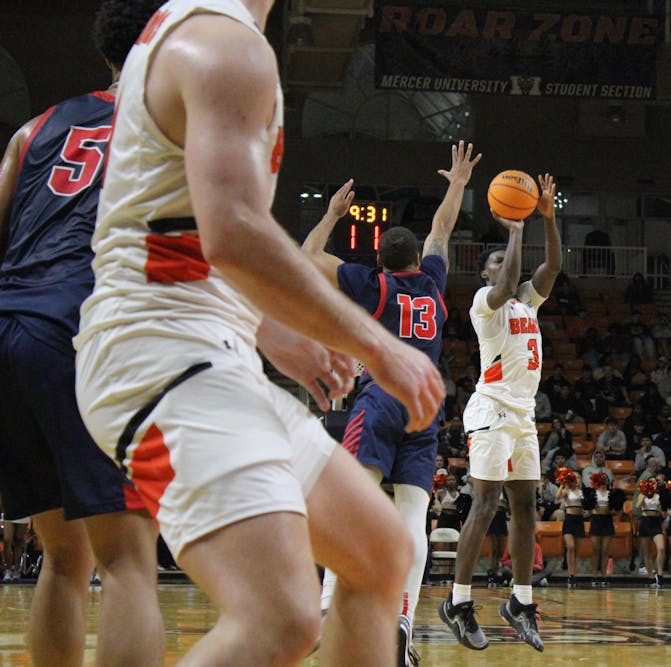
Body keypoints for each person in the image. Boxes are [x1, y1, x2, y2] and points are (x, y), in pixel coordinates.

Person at [72, 1, 446, 665]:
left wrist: (275, 334)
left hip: (203, 347)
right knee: (280, 614)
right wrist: (379, 345)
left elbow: (185, 235)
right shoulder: (221, 44)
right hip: (159, 358)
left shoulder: (199, 32)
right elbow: (235, 231)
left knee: (380, 553)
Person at [0, 2, 163, 664]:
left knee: (64, 556)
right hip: (87, 330)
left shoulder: (34, 128)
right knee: (127, 560)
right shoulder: (174, 119)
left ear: (106, 56)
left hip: (11, 331)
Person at [303, 141, 480, 666]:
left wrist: (332, 215)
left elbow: (309, 258)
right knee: (412, 516)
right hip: (424, 403)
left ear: (379, 259)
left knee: (354, 504)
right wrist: (457, 185)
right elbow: (441, 232)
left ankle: (328, 605)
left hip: (380, 397)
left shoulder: (370, 284)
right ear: (415, 258)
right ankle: (403, 617)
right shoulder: (433, 282)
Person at [439, 174, 561, 653]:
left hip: (523, 414)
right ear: (486, 274)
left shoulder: (528, 301)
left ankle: (520, 601)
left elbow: (552, 265)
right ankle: (459, 601)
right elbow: (510, 278)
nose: (506, 268)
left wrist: (546, 219)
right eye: (496, 263)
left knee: (526, 507)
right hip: (489, 408)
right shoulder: (484, 305)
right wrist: (514, 230)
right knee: (486, 503)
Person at [582, 472, 624, 587]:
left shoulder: (612, 494)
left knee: (605, 550)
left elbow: (618, 510)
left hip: (607, 520)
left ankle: (604, 575)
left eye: (605, 479)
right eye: (601, 479)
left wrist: (611, 512)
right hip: (596, 520)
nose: (603, 481)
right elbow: (588, 508)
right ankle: (595, 574)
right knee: (596, 549)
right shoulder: (592, 493)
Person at [556, 470, 585, 587]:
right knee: (570, 547)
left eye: (578, 478)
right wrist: (563, 483)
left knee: (576, 550)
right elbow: (557, 497)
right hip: (569, 519)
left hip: (579, 520)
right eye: (574, 478)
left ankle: (573, 574)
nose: (576, 480)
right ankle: (570, 574)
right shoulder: (566, 491)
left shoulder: (582, 492)